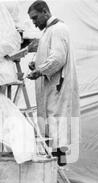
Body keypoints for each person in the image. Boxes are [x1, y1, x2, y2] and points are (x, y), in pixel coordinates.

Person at [26, 0, 80, 166]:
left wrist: (40, 70)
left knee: (58, 129)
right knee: (52, 129)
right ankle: (54, 168)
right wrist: (37, 64)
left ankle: (58, 167)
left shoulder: (58, 29)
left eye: (35, 18)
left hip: (58, 89)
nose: (34, 23)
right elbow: (51, 55)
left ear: (45, 12)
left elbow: (57, 58)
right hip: (52, 88)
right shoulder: (50, 31)